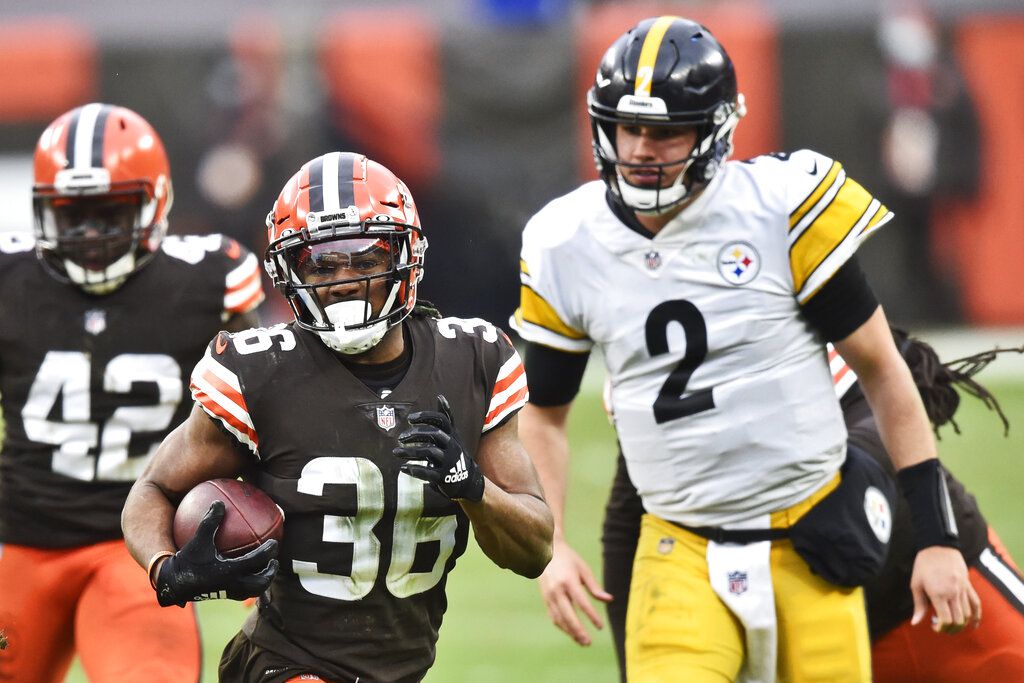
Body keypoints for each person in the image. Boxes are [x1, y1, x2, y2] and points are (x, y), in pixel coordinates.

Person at [512, 16, 979, 682]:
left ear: (715, 130)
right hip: (679, 545)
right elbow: (545, 413)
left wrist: (936, 536)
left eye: (667, 130)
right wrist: (552, 541)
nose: (642, 148)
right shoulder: (567, 239)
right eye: (628, 127)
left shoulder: (779, 208)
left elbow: (883, 369)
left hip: (812, 537)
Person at [121, 151, 554, 683]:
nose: (344, 280)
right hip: (285, 664)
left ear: (407, 255)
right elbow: (152, 489)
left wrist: (472, 486)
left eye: (365, 259)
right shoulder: (258, 372)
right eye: (320, 264)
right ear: (288, 271)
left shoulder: (473, 361)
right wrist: (169, 568)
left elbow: (534, 549)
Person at [0, 103, 264, 682]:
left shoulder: (205, 281)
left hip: (141, 549)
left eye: (109, 213)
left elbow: (271, 413)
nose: (91, 235)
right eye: (73, 216)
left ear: (154, 204)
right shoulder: (10, 279)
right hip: (19, 540)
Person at [595, 332, 1024, 682]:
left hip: (927, 569)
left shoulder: (773, 284)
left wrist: (837, 495)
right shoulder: (642, 347)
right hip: (812, 618)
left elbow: (890, 383)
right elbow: (629, 518)